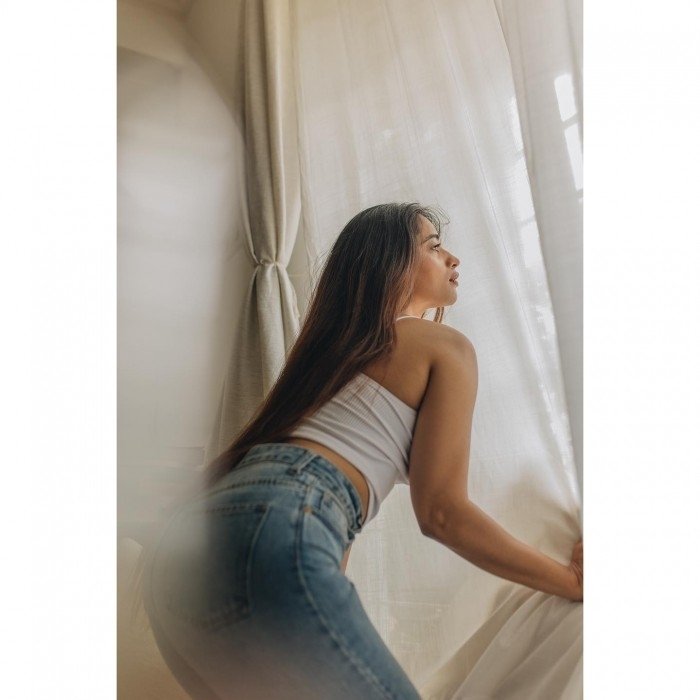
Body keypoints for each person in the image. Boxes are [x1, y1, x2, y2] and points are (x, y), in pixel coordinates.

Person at [139, 202, 584, 699]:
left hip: (182, 554)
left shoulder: (328, 360)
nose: (453, 258)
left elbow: (319, 513)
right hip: (277, 528)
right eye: (435, 247)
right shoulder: (444, 346)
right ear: (391, 264)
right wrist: (570, 580)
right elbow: (442, 512)